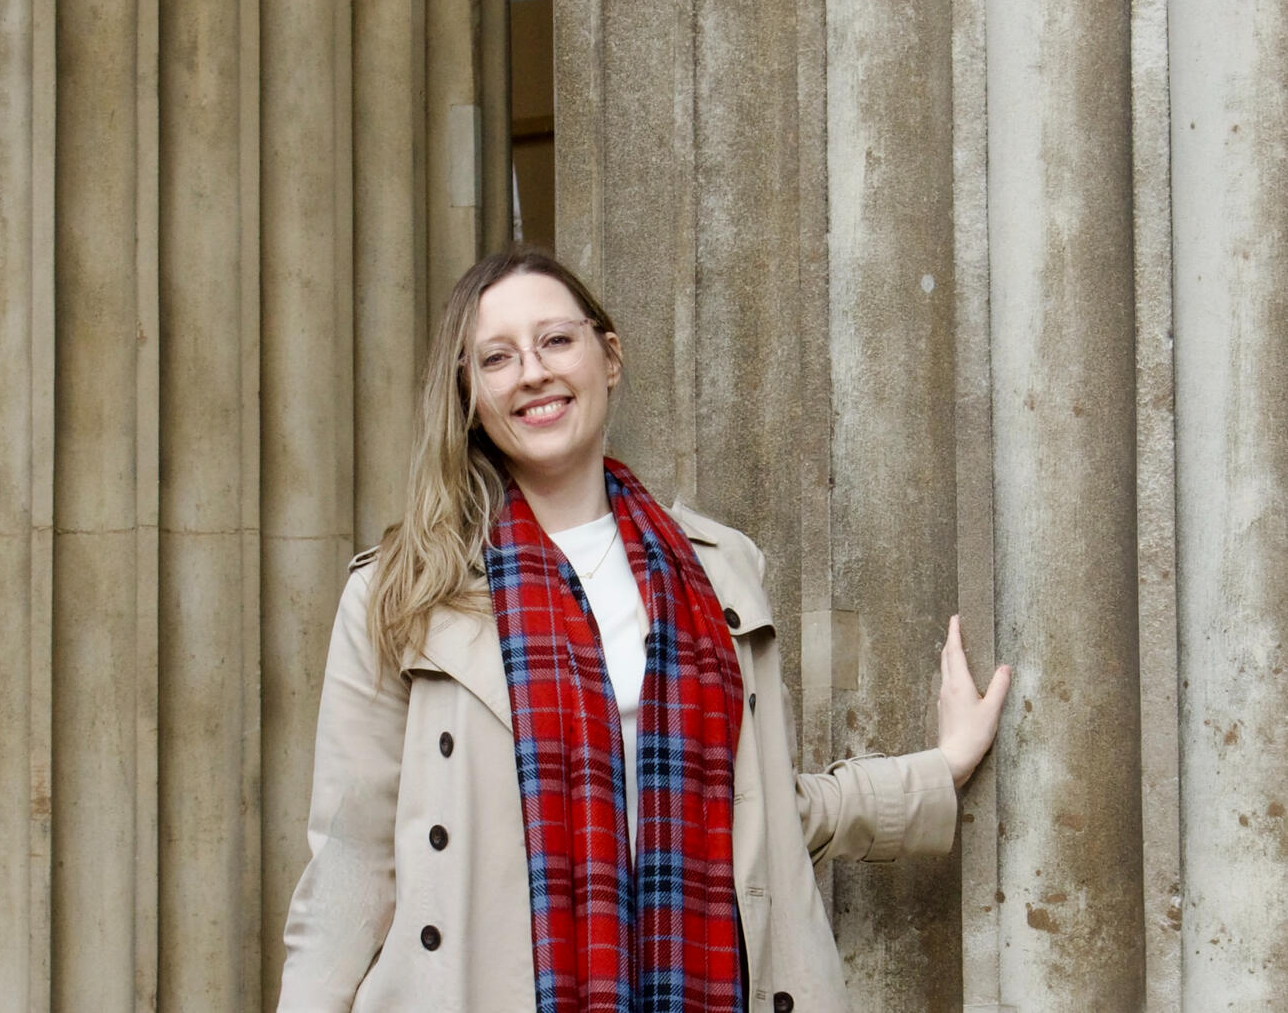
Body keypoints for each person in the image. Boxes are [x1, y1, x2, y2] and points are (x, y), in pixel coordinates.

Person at [277, 246, 1011, 1013]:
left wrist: (942, 767)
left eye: (556, 340)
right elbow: (352, 861)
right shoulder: (403, 589)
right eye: (496, 358)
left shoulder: (721, 577)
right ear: (469, 390)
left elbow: (764, 815)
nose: (532, 372)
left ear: (609, 355)